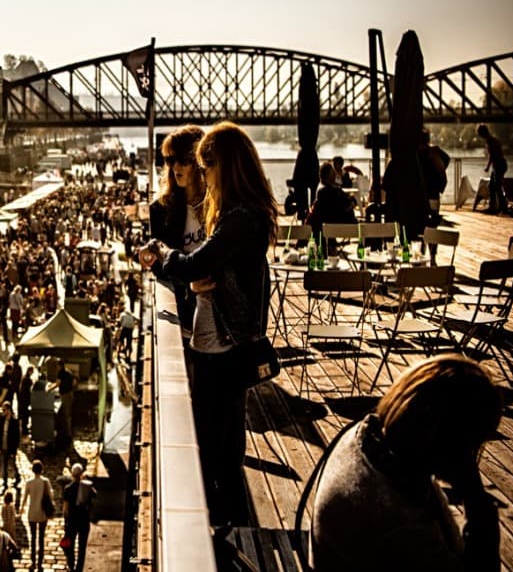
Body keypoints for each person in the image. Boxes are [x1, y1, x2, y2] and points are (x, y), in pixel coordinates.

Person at [142, 121, 278, 527]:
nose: (201, 175)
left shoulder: (240, 217)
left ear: (225, 167)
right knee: (219, 433)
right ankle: (223, 520)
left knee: (217, 439)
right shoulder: (241, 213)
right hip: (217, 333)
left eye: (205, 166)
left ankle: (223, 524)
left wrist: (161, 256)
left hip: (225, 339)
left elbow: (198, 263)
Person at [311, 355, 502, 572]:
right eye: (473, 443)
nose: (472, 456)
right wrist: (476, 500)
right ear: (448, 438)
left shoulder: (363, 436)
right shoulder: (402, 523)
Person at [149, 124, 207, 344]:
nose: (175, 167)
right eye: (170, 160)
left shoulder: (218, 206)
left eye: (183, 159)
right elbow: (160, 268)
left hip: (220, 318)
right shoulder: (161, 210)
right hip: (184, 316)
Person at [305, 162, 357, 239]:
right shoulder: (336, 192)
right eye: (333, 172)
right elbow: (348, 203)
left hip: (324, 225)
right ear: (330, 176)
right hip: (342, 224)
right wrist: (352, 202)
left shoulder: (321, 193)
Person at [61, 464, 95, 572]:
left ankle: (71, 564)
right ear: (81, 474)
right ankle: (79, 568)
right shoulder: (86, 487)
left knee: (70, 545)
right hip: (84, 520)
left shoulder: (67, 489)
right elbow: (94, 494)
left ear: (72, 474)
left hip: (72, 521)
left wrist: (65, 522)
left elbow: (65, 509)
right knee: (82, 547)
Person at [21, 460, 52, 571]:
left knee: (33, 538)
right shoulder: (45, 482)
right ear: (42, 469)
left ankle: (33, 562)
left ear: (33, 470)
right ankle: (40, 563)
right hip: (42, 513)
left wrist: (21, 510)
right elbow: (50, 497)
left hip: (32, 513)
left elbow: (24, 498)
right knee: (41, 539)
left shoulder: (29, 482)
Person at [419, 129, 450, 224]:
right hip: (434, 188)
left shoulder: (416, 154)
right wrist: (441, 168)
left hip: (422, 188)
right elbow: (447, 158)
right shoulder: (435, 151)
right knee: (434, 215)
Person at [477, 124, 508, 213]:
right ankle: (494, 206)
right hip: (499, 165)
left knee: (497, 187)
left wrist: (487, 167)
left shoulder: (490, 142)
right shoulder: (492, 140)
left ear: (483, 133)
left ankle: (502, 208)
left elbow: (492, 156)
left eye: (480, 135)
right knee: (492, 186)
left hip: (499, 165)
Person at [0, 401, 21, 491]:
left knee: (13, 464)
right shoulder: (1, 419)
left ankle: (18, 477)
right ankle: (5, 482)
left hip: (10, 447)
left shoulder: (14, 421)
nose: (3, 412)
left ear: (9, 410)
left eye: (4, 410)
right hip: (3, 445)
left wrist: (14, 450)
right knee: (4, 465)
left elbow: (17, 437)